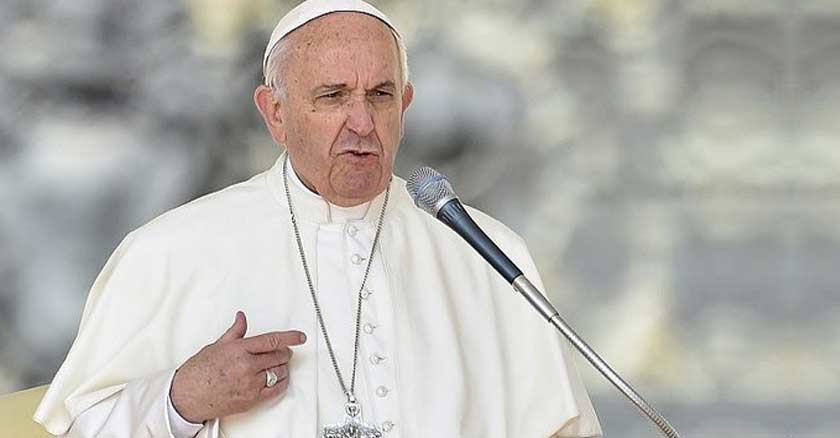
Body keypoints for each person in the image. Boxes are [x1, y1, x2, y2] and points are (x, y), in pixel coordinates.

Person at [33, 0, 602, 436]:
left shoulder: (487, 254)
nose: (361, 122)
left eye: (379, 95)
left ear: (404, 105)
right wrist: (180, 401)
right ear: (274, 113)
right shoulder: (168, 251)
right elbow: (83, 426)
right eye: (332, 96)